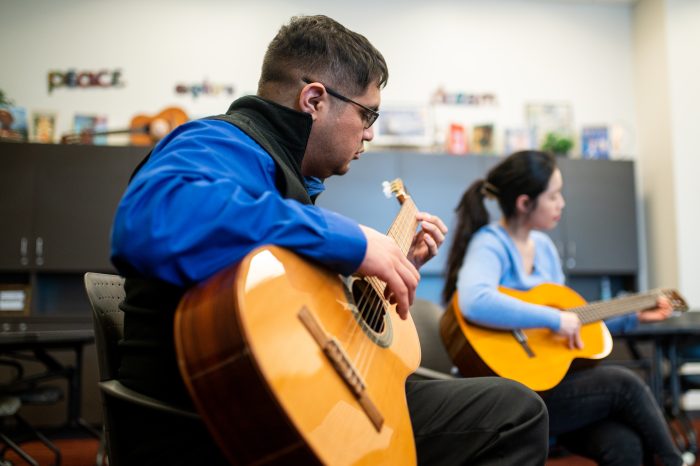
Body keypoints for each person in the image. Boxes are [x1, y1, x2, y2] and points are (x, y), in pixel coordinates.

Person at [110, 15, 549, 466]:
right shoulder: (221, 141)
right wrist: (355, 241)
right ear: (315, 100)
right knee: (516, 414)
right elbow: (154, 219)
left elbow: (289, 312)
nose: (371, 133)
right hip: (213, 422)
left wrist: (394, 266)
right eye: (367, 113)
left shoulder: (289, 180)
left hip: (276, 396)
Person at [442, 149, 684, 466]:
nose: (562, 204)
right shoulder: (490, 243)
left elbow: (572, 324)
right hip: (512, 396)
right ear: (524, 203)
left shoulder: (544, 248)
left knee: (624, 445)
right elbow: (475, 301)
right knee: (624, 384)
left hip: (552, 386)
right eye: (554, 196)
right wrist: (554, 319)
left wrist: (633, 317)